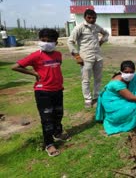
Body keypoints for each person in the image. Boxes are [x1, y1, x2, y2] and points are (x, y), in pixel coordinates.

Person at [12, 28, 70, 157]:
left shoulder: (58, 55)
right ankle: (49, 144)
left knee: (58, 113)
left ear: (55, 42)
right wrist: (33, 73)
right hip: (43, 92)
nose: (46, 43)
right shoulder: (36, 55)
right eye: (43, 40)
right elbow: (15, 66)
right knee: (47, 118)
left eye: (49, 41)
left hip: (58, 90)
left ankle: (57, 133)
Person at [95, 60, 136, 135]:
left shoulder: (134, 78)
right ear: (121, 72)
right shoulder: (117, 84)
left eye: (131, 72)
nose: (129, 74)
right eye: (126, 72)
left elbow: (133, 93)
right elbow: (132, 98)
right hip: (111, 102)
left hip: (122, 98)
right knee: (134, 107)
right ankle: (123, 122)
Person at [67, 9, 109, 108]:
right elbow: (70, 41)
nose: (91, 19)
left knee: (98, 78)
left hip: (97, 57)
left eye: (94, 17)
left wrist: (101, 41)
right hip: (85, 58)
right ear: (85, 17)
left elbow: (106, 33)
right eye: (89, 17)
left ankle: (96, 96)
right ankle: (87, 99)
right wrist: (77, 56)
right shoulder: (79, 28)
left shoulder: (96, 27)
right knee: (86, 80)